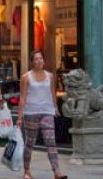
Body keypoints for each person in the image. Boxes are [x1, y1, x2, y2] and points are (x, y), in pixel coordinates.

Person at [17, 50, 67, 179]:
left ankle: (56, 171)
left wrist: (55, 107)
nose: (39, 61)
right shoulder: (26, 77)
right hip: (31, 112)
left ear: (44, 61)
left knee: (51, 142)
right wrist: (19, 117)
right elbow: (22, 98)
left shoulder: (50, 76)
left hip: (47, 111)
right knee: (30, 143)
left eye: (41, 59)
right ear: (32, 62)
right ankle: (27, 171)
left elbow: (52, 92)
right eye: (36, 59)